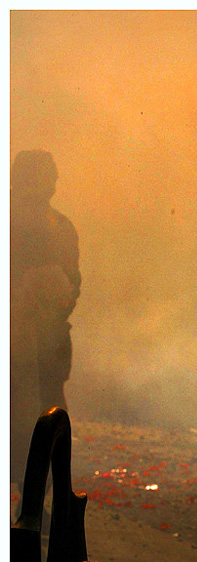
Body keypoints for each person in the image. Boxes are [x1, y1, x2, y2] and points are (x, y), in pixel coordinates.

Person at [10, 150, 81, 489]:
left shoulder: (61, 226)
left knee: (45, 422)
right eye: (44, 175)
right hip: (14, 341)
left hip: (46, 343)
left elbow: (73, 282)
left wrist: (54, 300)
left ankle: (32, 503)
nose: (52, 183)